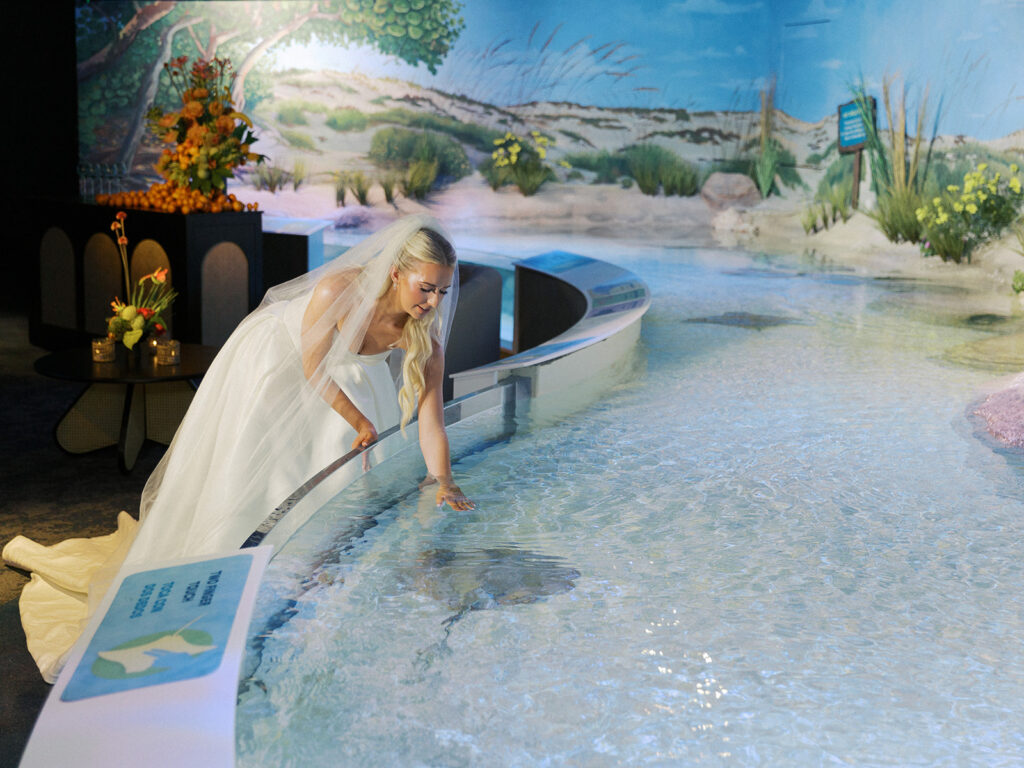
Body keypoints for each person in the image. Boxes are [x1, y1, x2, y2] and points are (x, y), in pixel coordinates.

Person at [3, 214, 473, 682]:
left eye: (442, 292)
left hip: (348, 379)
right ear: (396, 273)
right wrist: (361, 421)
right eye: (425, 288)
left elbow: (432, 421)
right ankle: (237, 574)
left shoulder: (425, 334)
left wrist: (444, 480)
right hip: (284, 360)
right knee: (263, 472)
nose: (433, 302)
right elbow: (312, 364)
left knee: (344, 475)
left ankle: (313, 578)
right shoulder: (339, 290)